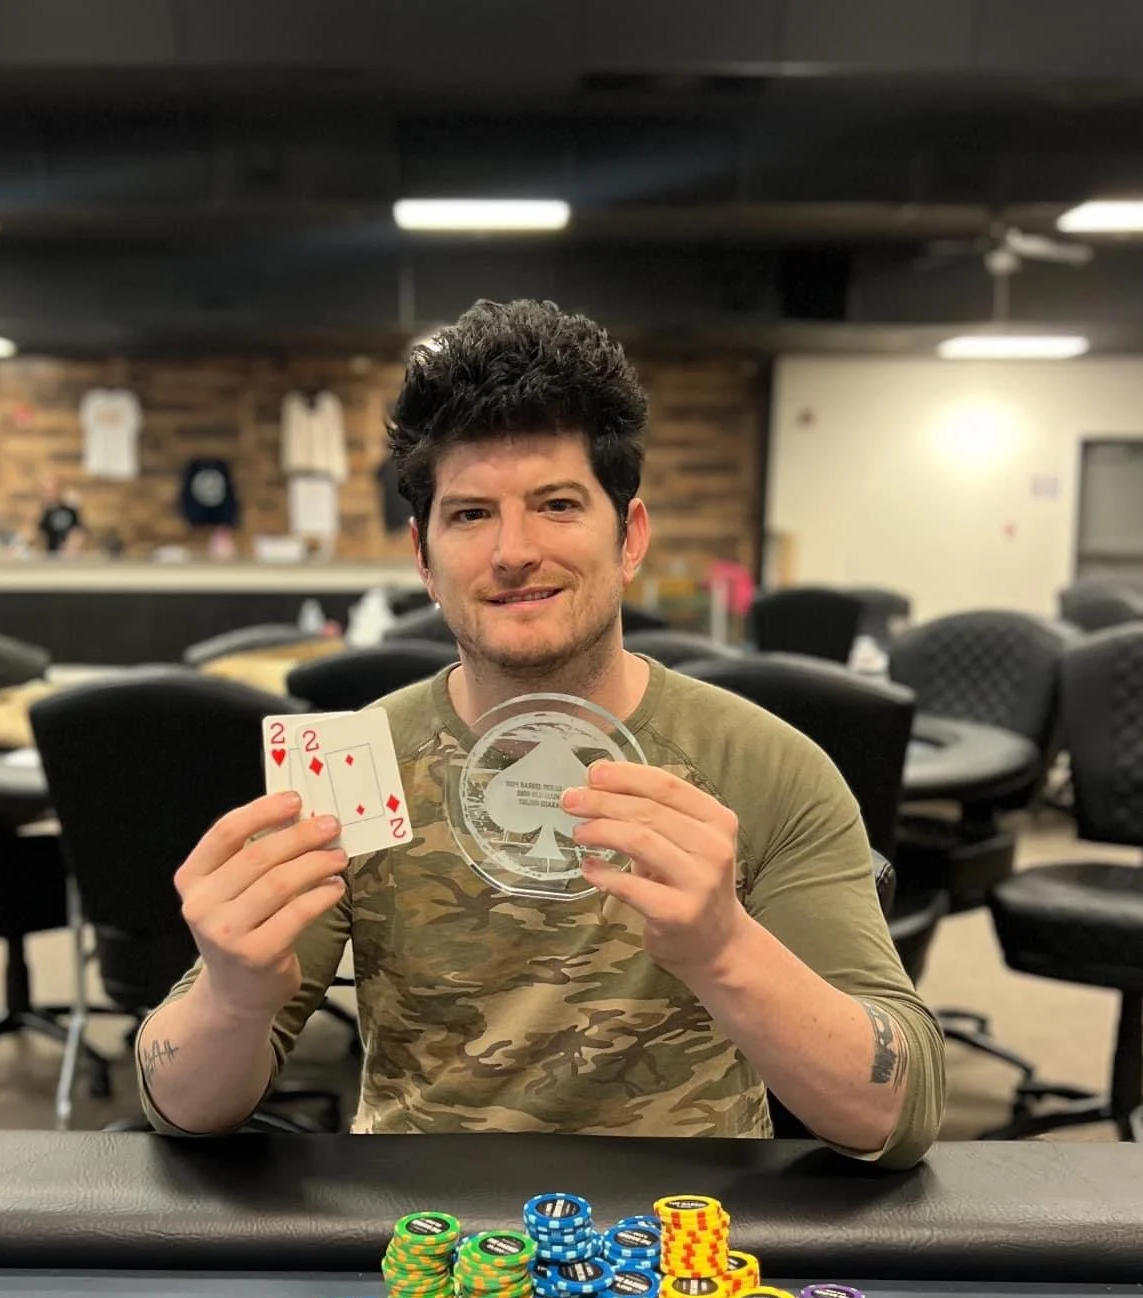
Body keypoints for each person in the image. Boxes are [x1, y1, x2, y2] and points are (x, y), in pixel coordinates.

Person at [136, 298, 944, 1167]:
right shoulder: (357, 765)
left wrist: (724, 949)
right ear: (424, 558)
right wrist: (233, 998)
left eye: (557, 504)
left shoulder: (765, 766)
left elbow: (898, 1117)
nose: (513, 550)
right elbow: (179, 1107)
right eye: (471, 514)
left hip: (682, 1246)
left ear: (629, 537)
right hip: (430, 1246)